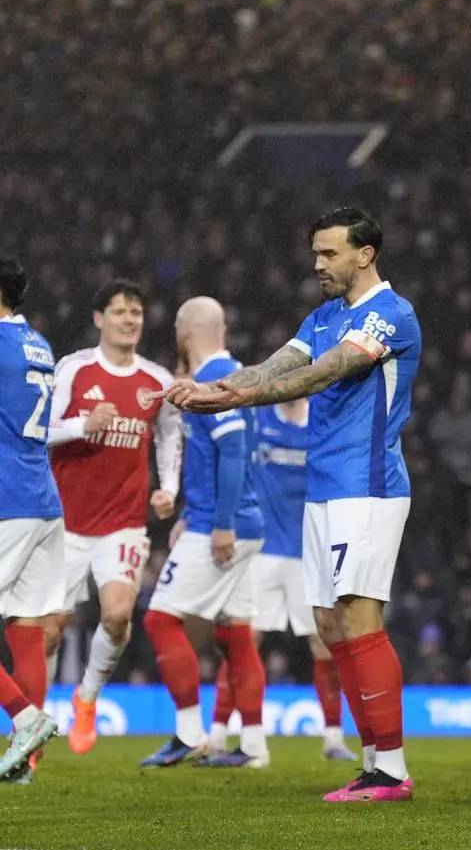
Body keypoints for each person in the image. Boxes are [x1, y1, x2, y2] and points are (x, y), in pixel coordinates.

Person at [162, 206, 422, 803]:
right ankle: (373, 760)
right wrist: (215, 388)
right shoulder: (325, 315)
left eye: (330, 253)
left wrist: (236, 401)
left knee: (358, 617)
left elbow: (321, 375)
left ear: (365, 254)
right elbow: (277, 364)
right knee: (330, 625)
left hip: (368, 483)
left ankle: (391, 769)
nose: (318, 265)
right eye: (316, 254)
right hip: (325, 487)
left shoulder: (390, 314)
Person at [45, 280, 183, 756]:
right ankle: (35, 726)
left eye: (137, 312)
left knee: (120, 615)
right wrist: (84, 424)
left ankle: (86, 699)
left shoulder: (157, 381)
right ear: (99, 318)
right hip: (64, 523)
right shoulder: (74, 369)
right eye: (121, 312)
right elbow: (39, 429)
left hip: (123, 523)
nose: (130, 320)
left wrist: (168, 488)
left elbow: (169, 436)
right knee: (50, 628)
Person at [141, 296, 268, 768]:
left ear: (183, 331)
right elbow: (217, 458)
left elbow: (233, 452)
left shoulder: (217, 379)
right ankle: (253, 747)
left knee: (159, 619)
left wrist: (220, 523)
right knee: (236, 633)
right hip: (236, 520)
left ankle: (190, 733)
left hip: (228, 524)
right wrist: (195, 516)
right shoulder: (231, 372)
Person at [207, 398, 356, 762]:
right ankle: (217, 735)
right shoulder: (257, 421)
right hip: (263, 550)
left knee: (324, 645)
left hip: (309, 551)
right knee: (245, 640)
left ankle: (334, 739)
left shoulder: (321, 424)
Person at [0, 258, 64, 781]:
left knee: (28, 626)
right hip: (42, 498)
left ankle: (24, 719)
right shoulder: (38, 344)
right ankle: (26, 761)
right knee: (27, 626)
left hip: (6, 501)